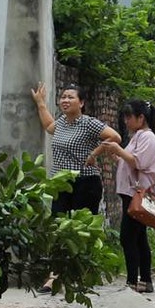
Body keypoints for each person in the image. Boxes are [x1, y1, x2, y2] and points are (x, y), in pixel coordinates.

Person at [100, 99, 155, 293]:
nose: (126, 121)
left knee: (128, 238)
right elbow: (130, 162)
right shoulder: (138, 136)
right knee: (138, 237)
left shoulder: (147, 137)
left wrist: (119, 150)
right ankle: (144, 280)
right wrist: (117, 157)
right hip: (132, 193)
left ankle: (132, 281)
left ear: (141, 118)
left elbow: (139, 163)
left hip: (137, 194)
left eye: (129, 117)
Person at [31, 84, 119, 217]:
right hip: (60, 182)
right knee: (58, 224)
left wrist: (93, 154)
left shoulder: (88, 123)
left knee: (82, 226)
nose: (65, 100)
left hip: (84, 182)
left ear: (81, 103)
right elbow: (49, 126)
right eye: (63, 97)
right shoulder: (61, 122)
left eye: (70, 97)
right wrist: (40, 103)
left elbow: (115, 137)